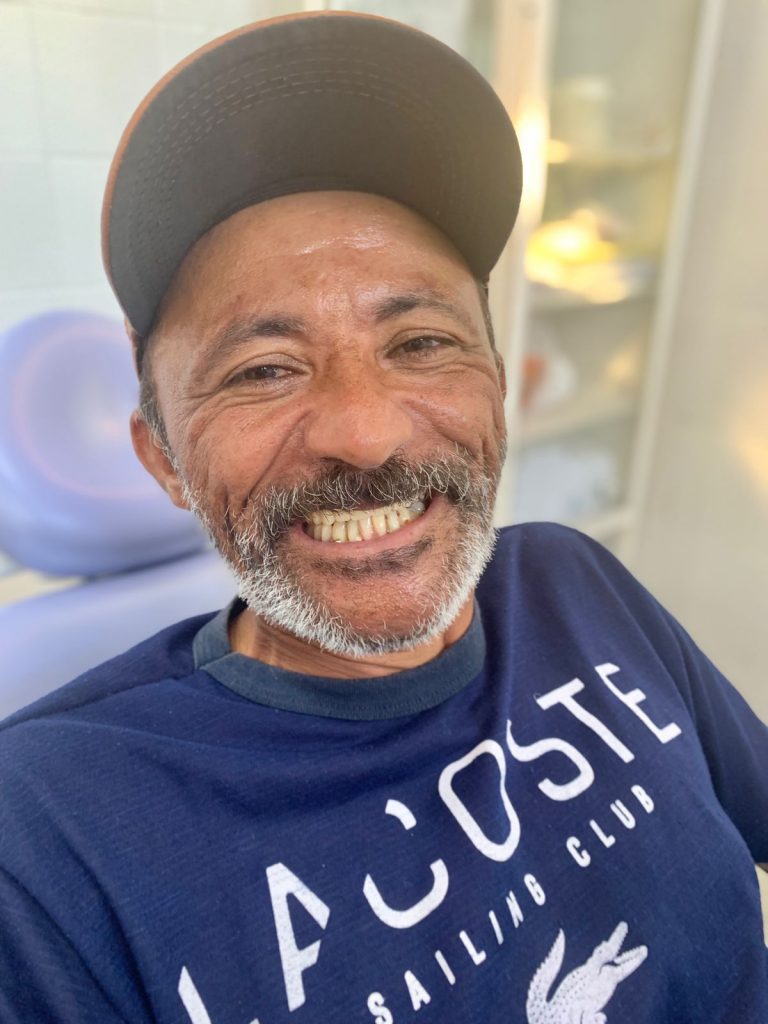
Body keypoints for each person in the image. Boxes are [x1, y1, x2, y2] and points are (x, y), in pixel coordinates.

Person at [0, 12, 766, 1024]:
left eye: (421, 342)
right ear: (165, 459)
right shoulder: (46, 838)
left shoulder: (575, 584)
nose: (366, 434)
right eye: (263, 369)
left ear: (498, 384)